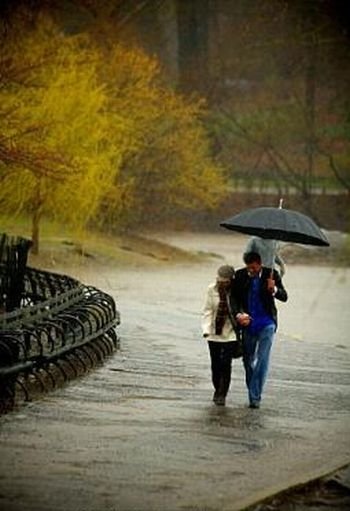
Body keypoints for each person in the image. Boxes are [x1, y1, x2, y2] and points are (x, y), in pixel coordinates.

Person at [232, 252, 288, 409]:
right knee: (247, 360)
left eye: (254, 267)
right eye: (248, 267)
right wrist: (239, 314)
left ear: (260, 264)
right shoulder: (240, 275)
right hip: (248, 323)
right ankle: (253, 389)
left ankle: (254, 397)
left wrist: (274, 289)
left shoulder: (272, 274)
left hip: (267, 323)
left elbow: (284, 296)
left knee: (262, 359)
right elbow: (234, 298)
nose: (251, 270)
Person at [202, 264, 240, 406]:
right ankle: (217, 388)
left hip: (230, 333)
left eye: (224, 281)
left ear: (231, 280)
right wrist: (206, 329)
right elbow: (208, 310)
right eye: (219, 280)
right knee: (215, 365)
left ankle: (222, 394)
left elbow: (239, 308)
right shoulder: (211, 289)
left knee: (226, 364)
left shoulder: (236, 292)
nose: (221, 283)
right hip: (213, 333)